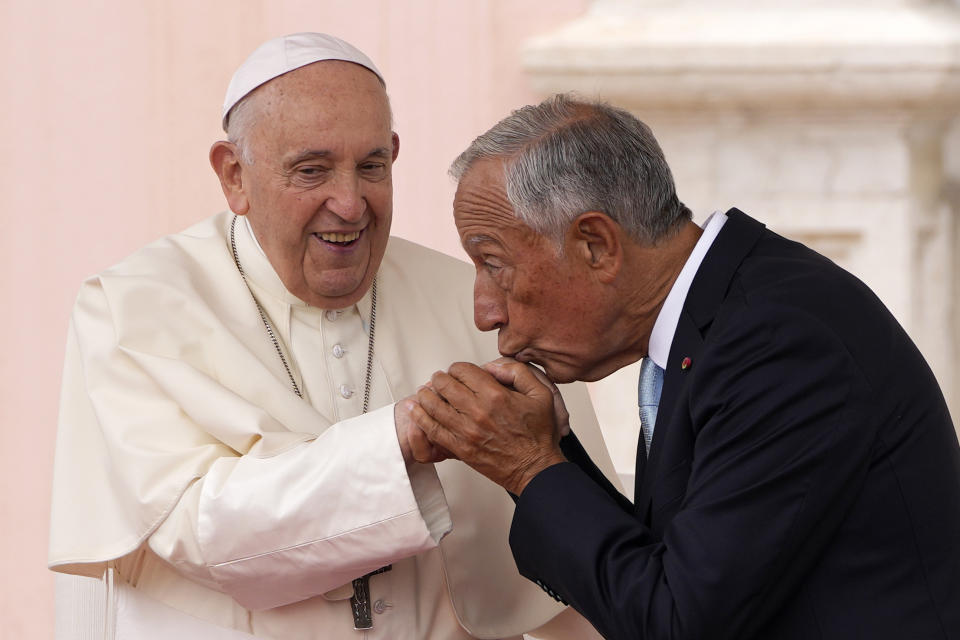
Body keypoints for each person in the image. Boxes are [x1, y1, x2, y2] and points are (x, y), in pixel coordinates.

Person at [48, 34, 616, 639]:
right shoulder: (134, 308)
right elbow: (197, 530)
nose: (349, 204)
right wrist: (405, 434)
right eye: (311, 170)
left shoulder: (473, 302)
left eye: (372, 166)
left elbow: (578, 565)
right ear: (234, 175)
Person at [412, 94, 960, 639]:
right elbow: (663, 569)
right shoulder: (722, 316)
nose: (486, 312)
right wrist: (545, 455)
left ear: (596, 245)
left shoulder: (776, 341)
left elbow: (677, 622)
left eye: (494, 264)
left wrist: (529, 466)